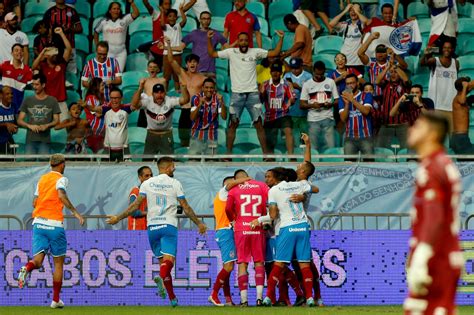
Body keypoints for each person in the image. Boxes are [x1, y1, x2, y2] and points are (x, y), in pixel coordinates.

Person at [107, 156, 207, 307]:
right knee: (169, 263)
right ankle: (160, 278)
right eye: (173, 166)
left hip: (152, 228)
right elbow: (185, 206)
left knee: (163, 265)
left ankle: (172, 299)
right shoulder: (175, 183)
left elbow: (135, 206)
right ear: (167, 168)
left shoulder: (147, 183)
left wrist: (118, 217)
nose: (174, 169)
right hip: (168, 226)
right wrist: (199, 223)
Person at [404, 112, 463, 315]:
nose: (411, 130)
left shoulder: (432, 168)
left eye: (418, 126)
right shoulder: (440, 164)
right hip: (441, 255)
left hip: (437, 258)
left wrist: (422, 254)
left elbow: (434, 217)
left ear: (431, 135)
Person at [17, 154, 84, 308]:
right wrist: (75, 212)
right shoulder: (61, 178)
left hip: (39, 224)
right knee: (58, 264)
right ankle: (55, 300)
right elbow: (61, 194)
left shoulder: (42, 179)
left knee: (38, 262)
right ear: (62, 164)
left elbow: (35, 202)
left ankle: (26, 268)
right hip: (54, 225)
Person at [208, 30, 285, 157]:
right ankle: (228, 155)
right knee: (233, 124)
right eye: (241, 40)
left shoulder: (255, 52)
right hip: (237, 94)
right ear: (238, 41)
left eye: (245, 40)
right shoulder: (231, 52)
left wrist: (281, 38)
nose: (243, 42)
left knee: (259, 124)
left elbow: (275, 53)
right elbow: (212, 53)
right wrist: (209, 39)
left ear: (249, 41)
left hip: (253, 95)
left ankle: (266, 155)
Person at [262, 167, 317, 307]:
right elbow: (315, 189)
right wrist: (303, 196)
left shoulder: (273, 191)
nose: (267, 180)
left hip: (286, 228)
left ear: (277, 178)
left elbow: (273, 215)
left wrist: (259, 220)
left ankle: (268, 297)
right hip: (303, 226)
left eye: (269, 177)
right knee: (304, 264)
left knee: (279, 263)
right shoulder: (298, 184)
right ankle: (310, 298)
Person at [225, 169, 268, 306]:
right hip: (257, 227)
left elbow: (227, 208)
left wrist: (234, 219)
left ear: (237, 178)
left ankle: (244, 300)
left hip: (241, 229)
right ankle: (259, 298)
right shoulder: (261, 186)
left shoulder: (234, 189)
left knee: (242, 263)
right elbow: (270, 201)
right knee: (259, 262)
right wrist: (262, 216)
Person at [209, 174, 251, 306]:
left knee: (228, 265)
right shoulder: (223, 193)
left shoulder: (231, 199)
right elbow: (229, 185)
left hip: (228, 231)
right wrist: (246, 179)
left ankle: (228, 299)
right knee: (229, 266)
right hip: (225, 231)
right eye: (233, 183)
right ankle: (214, 294)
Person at [165, 38, 206, 147]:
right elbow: (170, 60)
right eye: (190, 62)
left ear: (198, 65)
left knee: (198, 139)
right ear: (187, 64)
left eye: (195, 62)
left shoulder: (203, 78)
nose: (193, 64)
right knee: (184, 139)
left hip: (197, 111)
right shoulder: (181, 74)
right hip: (184, 110)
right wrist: (168, 45)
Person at [131, 81, 190, 156]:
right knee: (147, 161)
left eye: (161, 92)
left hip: (167, 135)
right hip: (151, 136)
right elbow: (134, 104)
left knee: (168, 160)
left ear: (165, 93)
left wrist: (184, 89)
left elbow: (185, 100)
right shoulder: (148, 101)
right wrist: (140, 89)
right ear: (152, 94)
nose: (159, 95)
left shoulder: (170, 101)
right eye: (157, 93)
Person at [82, 88, 136, 162]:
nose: (114, 100)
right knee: (105, 170)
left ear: (121, 98)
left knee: (126, 170)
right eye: (112, 98)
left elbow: (135, 104)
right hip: (108, 148)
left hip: (124, 148)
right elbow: (94, 108)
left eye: (116, 98)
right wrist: (86, 106)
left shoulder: (126, 108)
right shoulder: (106, 109)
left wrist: (139, 89)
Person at [32, 27, 72, 121]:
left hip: (61, 102)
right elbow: (33, 67)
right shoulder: (43, 66)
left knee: (63, 128)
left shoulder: (61, 64)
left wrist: (62, 33)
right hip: (47, 102)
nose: (55, 54)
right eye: (52, 51)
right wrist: (42, 53)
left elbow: (69, 49)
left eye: (56, 51)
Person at [300, 61, 339, 153]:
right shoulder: (307, 84)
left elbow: (337, 101)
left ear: (324, 71)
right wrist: (312, 105)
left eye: (321, 74)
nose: (319, 76)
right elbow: (302, 104)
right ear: (313, 71)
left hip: (328, 118)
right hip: (313, 119)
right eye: (317, 74)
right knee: (313, 147)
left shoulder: (331, 82)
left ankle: (331, 164)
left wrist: (330, 104)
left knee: (330, 147)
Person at [17, 73, 61, 155]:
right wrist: (29, 126)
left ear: (43, 85)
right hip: (30, 139)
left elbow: (57, 121)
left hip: (45, 140)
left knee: (43, 164)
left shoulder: (53, 100)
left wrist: (46, 126)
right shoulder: (28, 100)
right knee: (29, 164)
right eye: (33, 84)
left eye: (37, 84)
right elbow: (19, 120)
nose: (34, 87)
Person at [421, 40, 458, 132]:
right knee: (436, 135)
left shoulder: (456, 63)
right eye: (445, 47)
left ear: (452, 49)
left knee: (451, 136)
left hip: (451, 106)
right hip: (436, 105)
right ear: (441, 49)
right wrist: (426, 53)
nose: (447, 49)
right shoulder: (434, 60)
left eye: (449, 47)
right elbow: (423, 63)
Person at [177, 11, 227, 76]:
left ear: (210, 20)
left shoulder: (216, 33)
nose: (206, 21)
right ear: (200, 20)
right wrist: (167, 47)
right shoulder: (194, 33)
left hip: (211, 71)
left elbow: (227, 47)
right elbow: (181, 47)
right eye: (204, 19)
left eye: (208, 19)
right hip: (196, 71)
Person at [260, 61, 295, 156]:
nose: (275, 73)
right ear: (270, 72)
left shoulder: (287, 84)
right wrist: (262, 93)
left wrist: (290, 101)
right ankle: (270, 158)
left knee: (288, 130)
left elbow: (292, 98)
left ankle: (291, 156)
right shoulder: (265, 84)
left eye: (278, 71)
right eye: (273, 71)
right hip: (269, 116)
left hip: (284, 114)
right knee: (270, 139)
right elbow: (261, 101)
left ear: (281, 73)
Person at [93, 0, 139, 70]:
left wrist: (132, 3)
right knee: (108, 74)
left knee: (118, 75)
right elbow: (96, 32)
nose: (116, 11)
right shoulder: (103, 21)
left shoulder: (125, 19)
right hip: (108, 52)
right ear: (109, 11)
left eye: (118, 9)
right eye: (114, 9)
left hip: (121, 53)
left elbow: (136, 14)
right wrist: (97, 47)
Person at [375, 63, 411, 149]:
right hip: (386, 124)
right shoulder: (386, 84)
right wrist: (387, 67)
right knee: (381, 149)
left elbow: (406, 79)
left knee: (406, 150)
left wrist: (395, 66)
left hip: (402, 124)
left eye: (396, 72)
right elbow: (377, 81)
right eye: (391, 72)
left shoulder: (405, 85)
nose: (393, 74)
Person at [339, 73, 374, 157]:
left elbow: (366, 111)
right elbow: (343, 119)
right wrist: (347, 104)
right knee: (349, 165)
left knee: (369, 165)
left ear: (358, 83)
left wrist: (351, 99)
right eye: (347, 84)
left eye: (352, 83)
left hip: (366, 137)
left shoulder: (367, 95)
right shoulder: (342, 98)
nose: (350, 86)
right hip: (349, 138)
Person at [189, 78, 227, 156]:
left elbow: (224, 117)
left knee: (211, 161)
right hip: (196, 135)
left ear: (214, 88)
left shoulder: (217, 99)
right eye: (206, 87)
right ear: (202, 88)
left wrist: (222, 103)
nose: (209, 90)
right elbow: (192, 118)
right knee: (194, 160)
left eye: (211, 87)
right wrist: (199, 105)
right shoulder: (195, 98)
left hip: (212, 136)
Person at [43, 0, 82, 74]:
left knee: (71, 72)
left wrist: (69, 29)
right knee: (54, 72)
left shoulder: (72, 11)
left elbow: (79, 28)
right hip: (54, 48)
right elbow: (44, 30)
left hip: (70, 46)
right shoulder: (49, 12)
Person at [330, 3, 368, 74]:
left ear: (361, 12)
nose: (353, 12)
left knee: (358, 83)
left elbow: (366, 22)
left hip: (358, 62)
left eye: (355, 10)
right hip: (344, 62)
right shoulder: (346, 24)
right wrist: (345, 11)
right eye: (351, 10)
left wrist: (357, 12)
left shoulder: (362, 24)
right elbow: (331, 23)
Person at [283, 58, 312, 149]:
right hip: (292, 111)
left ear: (301, 66)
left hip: (304, 111)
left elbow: (311, 93)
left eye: (297, 68)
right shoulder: (287, 76)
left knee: (305, 134)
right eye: (292, 68)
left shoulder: (308, 76)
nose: (294, 70)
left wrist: (298, 87)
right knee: (294, 134)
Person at [0, 43, 33, 114]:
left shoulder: (27, 70)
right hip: (2, 104)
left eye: (21, 51)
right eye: (16, 50)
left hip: (16, 104)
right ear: (12, 53)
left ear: (23, 53)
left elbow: (32, 86)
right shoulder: (5, 65)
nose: (19, 52)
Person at [162, 6, 187, 91]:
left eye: (174, 16)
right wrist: (162, 13)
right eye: (170, 16)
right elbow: (161, 24)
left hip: (177, 55)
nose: (172, 18)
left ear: (176, 17)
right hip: (166, 55)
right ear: (167, 18)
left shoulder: (178, 26)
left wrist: (181, 10)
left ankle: (178, 92)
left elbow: (184, 20)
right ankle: (164, 93)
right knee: (166, 76)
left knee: (177, 76)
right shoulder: (165, 27)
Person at [143, 0, 171, 67]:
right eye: (166, 4)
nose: (168, 6)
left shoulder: (172, 17)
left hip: (168, 50)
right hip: (156, 51)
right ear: (161, 6)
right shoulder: (156, 14)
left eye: (169, 4)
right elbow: (148, 6)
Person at [450, 77, 474, 155]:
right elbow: (463, 101)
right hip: (460, 137)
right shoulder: (458, 99)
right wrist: (465, 86)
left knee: (462, 164)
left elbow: (471, 86)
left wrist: (467, 85)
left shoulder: (460, 96)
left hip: (460, 137)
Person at [83, 78, 106, 153]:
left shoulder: (102, 97)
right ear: (96, 86)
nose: (104, 87)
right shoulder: (91, 98)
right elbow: (98, 113)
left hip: (101, 130)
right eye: (102, 85)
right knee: (96, 153)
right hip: (94, 130)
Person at [128, 166, 152, 231]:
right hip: (136, 229)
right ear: (140, 177)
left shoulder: (151, 192)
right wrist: (150, 212)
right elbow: (133, 212)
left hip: (146, 228)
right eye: (146, 176)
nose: (150, 177)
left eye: (151, 175)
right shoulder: (135, 191)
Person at [0, 86, 17, 154]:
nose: (11, 96)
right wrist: (6, 124)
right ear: (1, 95)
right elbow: (7, 124)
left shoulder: (13, 106)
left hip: (8, 141)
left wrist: (15, 128)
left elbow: (15, 122)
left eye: (11, 93)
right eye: (7, 94)